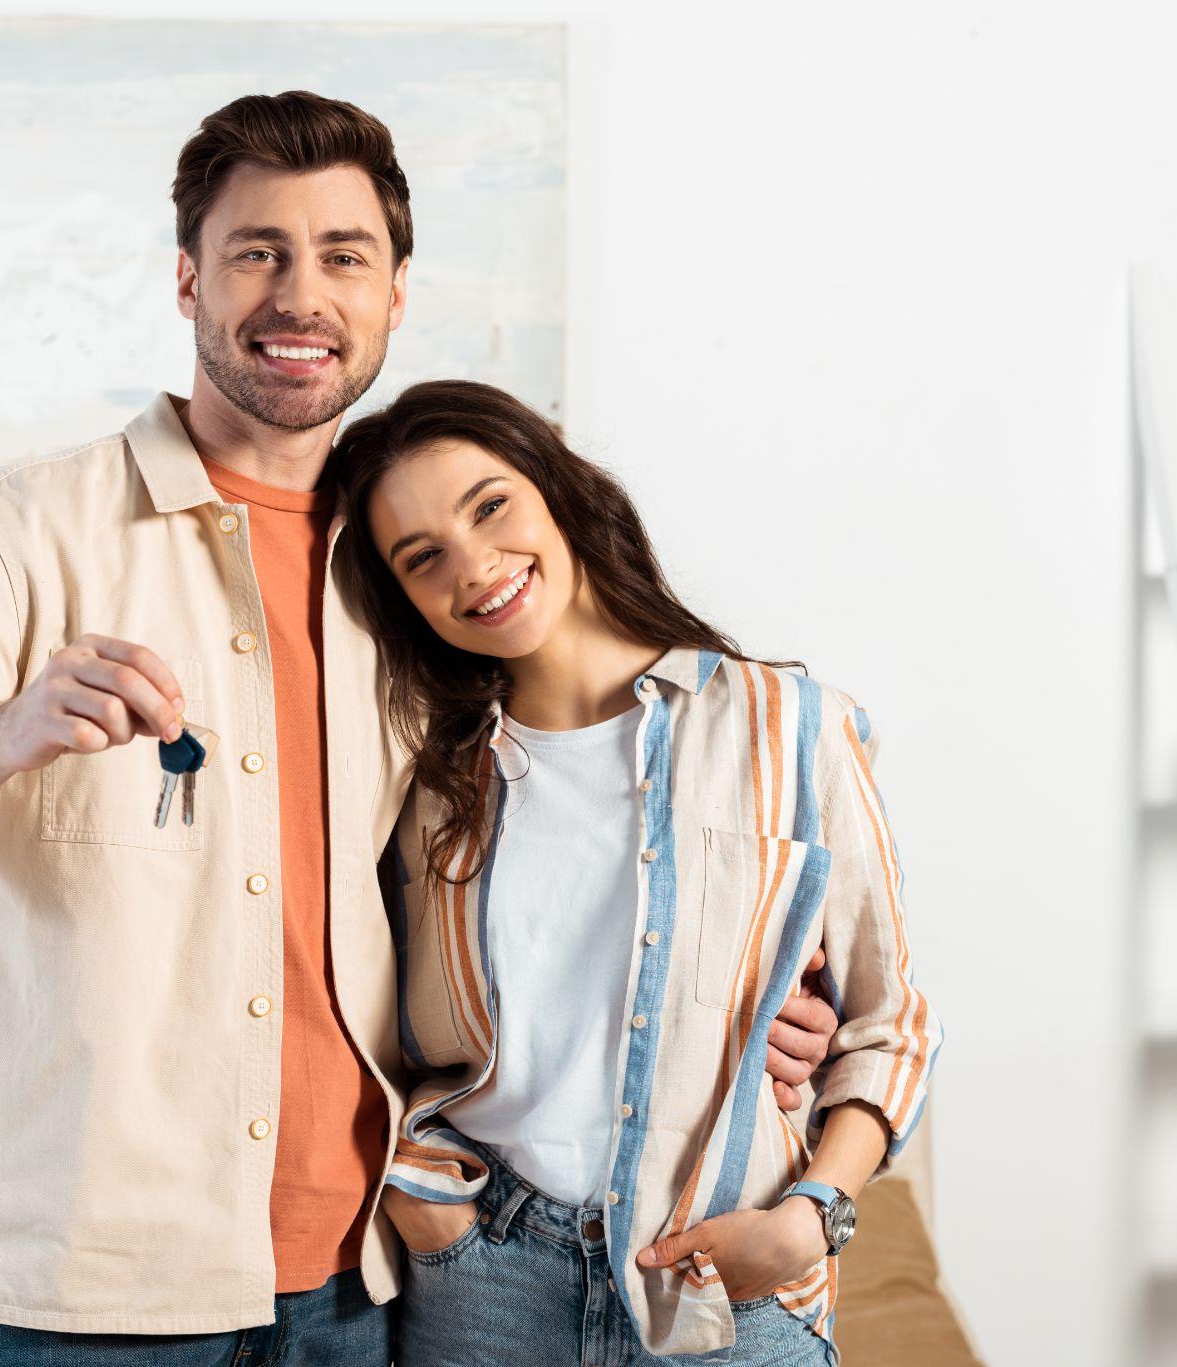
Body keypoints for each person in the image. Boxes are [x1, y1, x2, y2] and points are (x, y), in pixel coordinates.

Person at [0, 91, 837, 1365]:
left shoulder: (423, 574)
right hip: (95, 1293)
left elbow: (558, 855)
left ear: (392, 292)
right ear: (187, 279)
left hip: (375, 1276)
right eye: (255, 251)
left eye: (342, 255)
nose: (298, 293)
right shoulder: (16, 532)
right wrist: (0, 735)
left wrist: (751, 1000)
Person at [327, 380, 943, 1366]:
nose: (475, 565)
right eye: (421, 556)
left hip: (723, 1278)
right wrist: (420, 1199)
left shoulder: (788, 726)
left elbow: (888, 1019)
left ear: (556, 483)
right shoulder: (425, 780)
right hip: (480, 1286)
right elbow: (358, 1019)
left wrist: (807, 1216)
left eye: (488, 505)